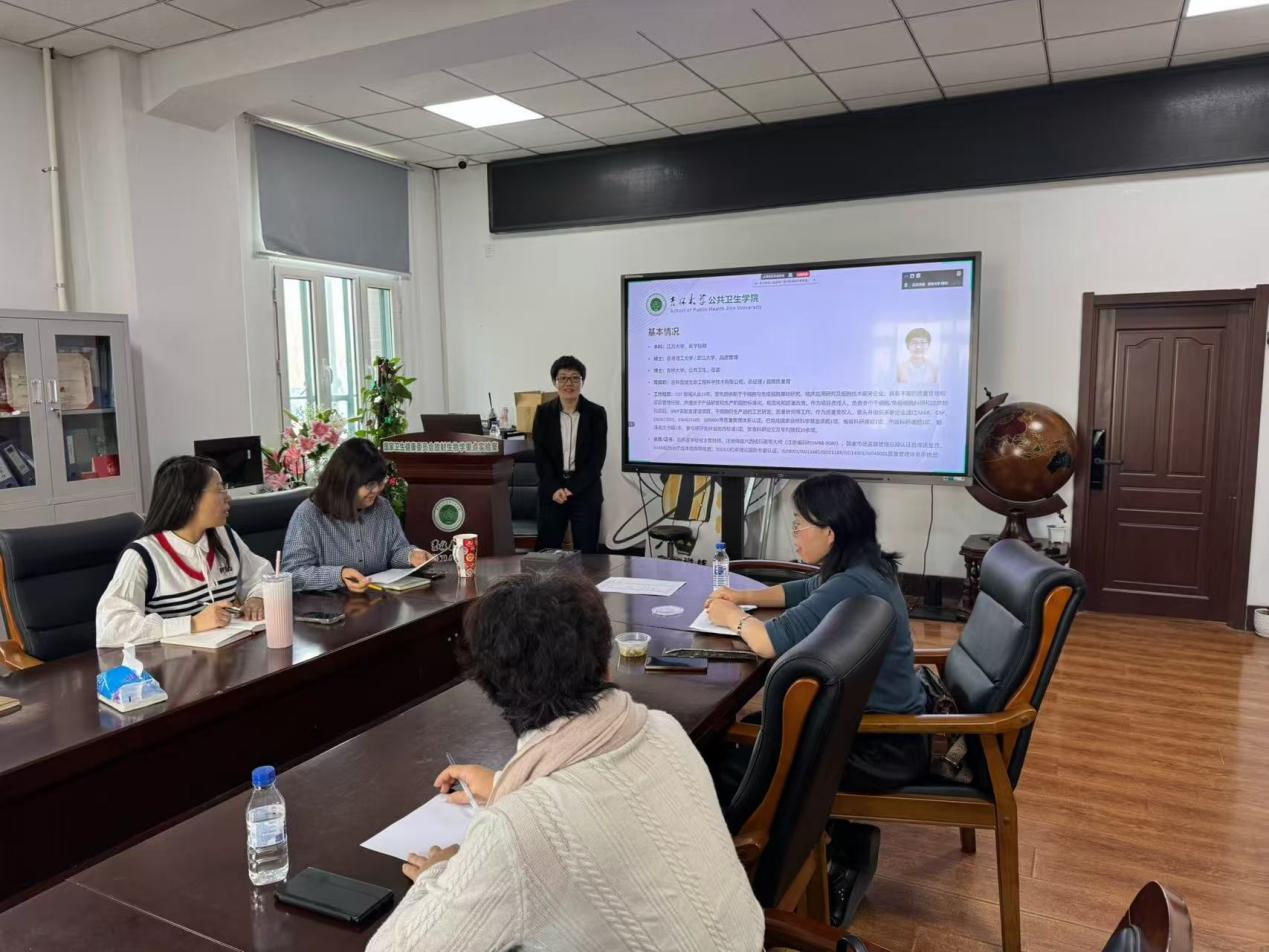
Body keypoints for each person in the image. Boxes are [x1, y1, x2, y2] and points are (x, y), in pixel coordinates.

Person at [365, 572, 764, 952]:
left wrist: (440, 873)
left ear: (490, 688)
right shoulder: (663, 728)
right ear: (605, 661)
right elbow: (600, 798)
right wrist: (505, 784)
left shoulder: (517, 832)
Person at [704, 472, 926, 928]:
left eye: (799, 525)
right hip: (876, 727)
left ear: (831, 532)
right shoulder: (863, 568)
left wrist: (732, 617)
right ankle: (839, 845)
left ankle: (743, 879)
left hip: (880, 746)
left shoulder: (851, 584)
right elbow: (802, 590)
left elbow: (768, 643)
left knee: (722, 756)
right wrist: (743, 595)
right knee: (750, 730)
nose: (794, 534)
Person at [97, 456, 271, 647]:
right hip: (172, 662)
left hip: (229, 656)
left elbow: (264, 576)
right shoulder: (142, 556)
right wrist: (193, 624)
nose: (228, 497)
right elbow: (111, 628)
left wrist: (257, 597)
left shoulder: (224, 536)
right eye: (220, 489)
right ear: (190, 499)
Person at [282, 438, 431, 592]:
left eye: (380, 482)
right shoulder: (308, 515)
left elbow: (396, 550)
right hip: (330, 602)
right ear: (346, 483)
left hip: (378, 599)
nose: (377, 489)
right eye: (370, 484)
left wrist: (411, 555)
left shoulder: (382, 507)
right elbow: (293, 574)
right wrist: (339, 575)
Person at [531, 355, 607, 553]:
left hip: (586, 491)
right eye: (563, 378)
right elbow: (541, 456)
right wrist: (555, 488)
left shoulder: (596, 413)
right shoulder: (543, 413)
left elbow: (597, 459)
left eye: (574, 378)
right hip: (552, 492)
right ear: (555, 382)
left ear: (582, 382)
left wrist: (571, 489)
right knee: (547, 554)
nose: (569, 383)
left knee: (587, 555)